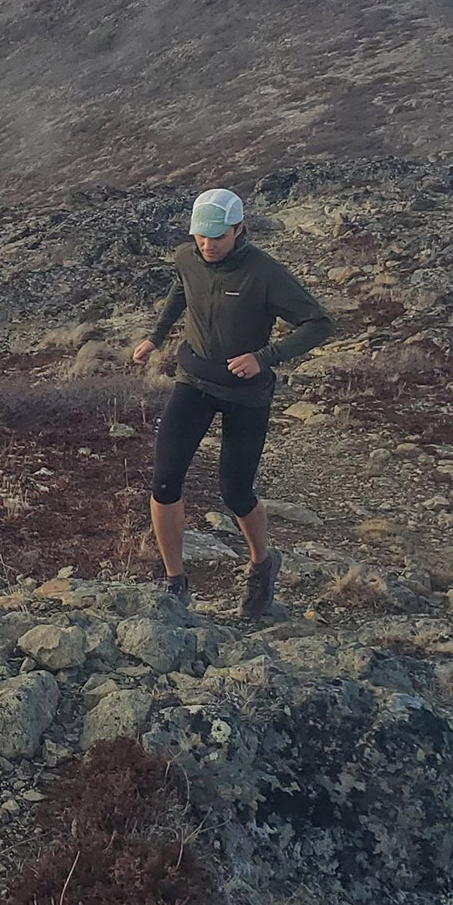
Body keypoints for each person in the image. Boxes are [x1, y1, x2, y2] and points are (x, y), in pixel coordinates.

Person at [131, 188, 333, 618]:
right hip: (194, 380)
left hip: (246, 395)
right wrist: (156, 335)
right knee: (165, 481)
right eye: (201, 237)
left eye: (217, 237)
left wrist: (264, 358)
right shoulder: (188, 256)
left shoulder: (264, 273)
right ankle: (175, 584)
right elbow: (181, 288)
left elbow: (318, 323)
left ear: (240, 229)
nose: (207, 245)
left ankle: (262, 564)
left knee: (235, 492)